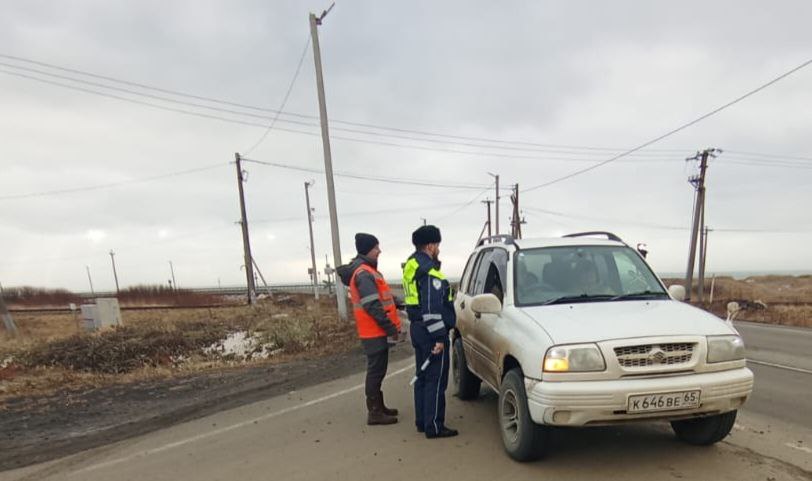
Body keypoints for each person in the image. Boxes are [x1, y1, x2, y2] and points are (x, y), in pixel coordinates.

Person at [337, 233, 401, 426]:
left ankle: (379, 407)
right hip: (373, 331)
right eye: (376, 248)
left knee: (378, 370)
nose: (379, 251)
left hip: (374, 331)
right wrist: (390, 327)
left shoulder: (367, 271)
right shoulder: (364, 273)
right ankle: (374, 412)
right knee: (375, 371)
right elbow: (372, 305)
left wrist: (400, 304)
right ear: (367, 250)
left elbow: (382, 298)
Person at [402, 225, 458, 439]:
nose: (439, 250)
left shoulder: (411, 265)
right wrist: (439, 338)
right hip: (430, 331)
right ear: (430, 245)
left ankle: (422, 421)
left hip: (417, 328)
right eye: (437, 245)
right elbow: (432, 309)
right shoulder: (429, 272)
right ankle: (434, 425)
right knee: (436, 379)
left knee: (423, 376)